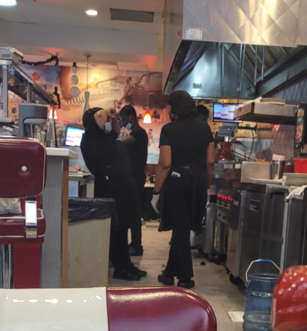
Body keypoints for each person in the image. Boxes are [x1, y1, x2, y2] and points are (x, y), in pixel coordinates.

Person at [153, 90, 215, 289]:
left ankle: (186, 278)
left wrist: (156, 193)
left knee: (180, 229)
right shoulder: (205, 129)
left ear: (174, 108)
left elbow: (164, 164)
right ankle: (169, 274)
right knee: (183, 229)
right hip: (198, 181)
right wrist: (206, 187)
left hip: (177, 181)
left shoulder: (169, 130)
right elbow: (211, 162)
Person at [80, 106, 147, 282]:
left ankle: (127, 264)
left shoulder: (105, 138)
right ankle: (120, 267)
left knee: (123, 228)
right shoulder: (91, 137)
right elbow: (100, 114)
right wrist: (107, 112)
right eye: (108, 121)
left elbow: (117, 132)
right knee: (114, 229)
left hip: (123, 188)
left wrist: (115, 119)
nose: (110, 123)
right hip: (111, 188)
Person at [118, 104, 148, 256]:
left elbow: (121, 143)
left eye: (123, 119)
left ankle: (136, 245)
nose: (122, 122)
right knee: (130, 209)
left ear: (130, 117)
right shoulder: (134, 132)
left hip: (137, 176)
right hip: (132, 176)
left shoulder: (139, 133)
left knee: (135, 210)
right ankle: (134, 243)